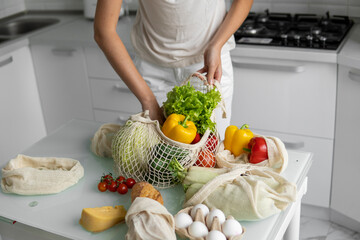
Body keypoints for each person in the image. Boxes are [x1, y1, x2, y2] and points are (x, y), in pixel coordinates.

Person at [94, 0, 253, 139]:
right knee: (160, 158)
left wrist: (217, 44)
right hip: (153, 69)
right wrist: (148, 99)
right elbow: (104, 31)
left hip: (208, 66)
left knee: (211, 155)